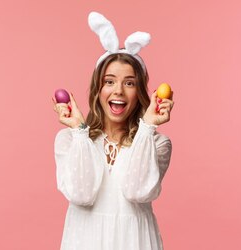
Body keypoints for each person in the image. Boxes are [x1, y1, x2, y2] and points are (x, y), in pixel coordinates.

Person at [51, 12, 174, 250]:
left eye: (129, 83)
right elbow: (81, 194)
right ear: (98, 89)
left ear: (139, 93)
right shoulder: (68, 140)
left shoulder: (157, 144)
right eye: (109, 81)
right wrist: (79, 131)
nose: (118, 90)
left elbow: (137, 191)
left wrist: (147, 128)